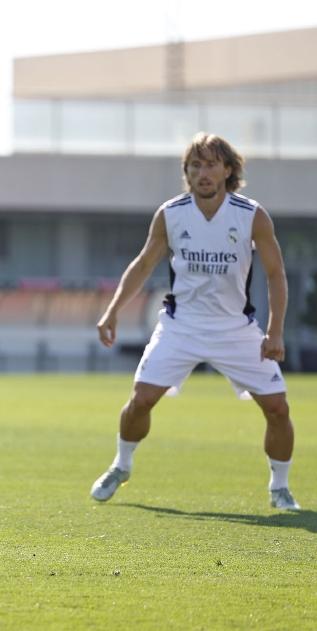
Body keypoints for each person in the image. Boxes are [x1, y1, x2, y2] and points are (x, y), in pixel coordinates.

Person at [90, 132, 299, 511]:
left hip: (235, 329)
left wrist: (275, 332)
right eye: (195, 165)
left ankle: (280, 488)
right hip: (181, 326)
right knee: (140, 400)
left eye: (211, 165)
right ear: (186, 172)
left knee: (278, 409)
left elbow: (276, 273)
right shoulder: (171, 214)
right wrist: (113, 310)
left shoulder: (251, 215)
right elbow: (144, 264)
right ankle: (121, 465)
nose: (203, 173)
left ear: (228, 170)